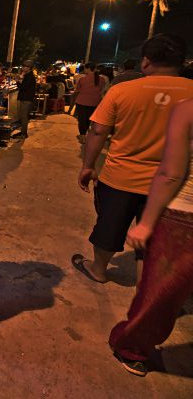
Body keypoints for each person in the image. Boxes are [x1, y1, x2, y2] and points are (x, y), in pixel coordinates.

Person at [73, 34, 193, 284]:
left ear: (146, 62)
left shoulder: (122, 90)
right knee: (154, 240)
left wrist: (88, 166)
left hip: (120, 177)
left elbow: (98, 131)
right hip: (174, 186)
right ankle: (146, 287)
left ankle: (98, 269)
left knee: (109, 226)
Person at [107, 98, 193, 376]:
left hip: (181, 212)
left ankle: (132, 345)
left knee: (162, 290)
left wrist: (146, 223)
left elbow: (171, 172)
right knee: (162, 289)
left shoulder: (186, 107)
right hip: (184, 212)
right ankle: (131, 345)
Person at [74, 63, 105, 143]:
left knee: (82, 120)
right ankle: (85, 134)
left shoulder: (83, 79)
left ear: (87, 69)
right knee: (88, 119)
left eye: (85, 68)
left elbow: (77, 90)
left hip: (82, 102)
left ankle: (83, 135)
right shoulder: (102, 79)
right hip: (94, 102)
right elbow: (101, 90)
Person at [17, 60, 36, 139]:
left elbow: (22, 87)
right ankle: (22, 132)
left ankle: (24, 134)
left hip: (26, 99)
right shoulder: (27, 75)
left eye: (26, 67)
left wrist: (18, 81)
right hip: (25, 98)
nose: (23, 68)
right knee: (23, 116)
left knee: (24, 116)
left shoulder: (30, 77)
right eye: (23, 66)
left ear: (29, 68)